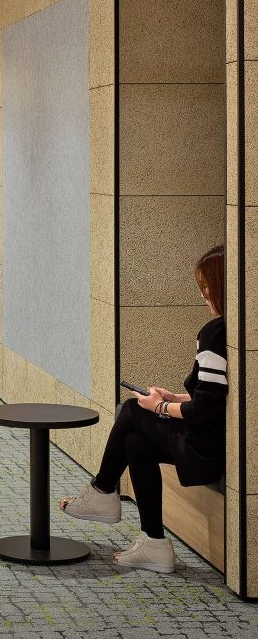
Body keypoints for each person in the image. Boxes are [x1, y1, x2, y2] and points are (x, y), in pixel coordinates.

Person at [59, 245, 227, 574]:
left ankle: (103, 489)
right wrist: (175, 398)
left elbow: (206, 410)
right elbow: (217, 398)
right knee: (136, 443)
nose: (204, 293)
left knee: (133, 410)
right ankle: (154, 544)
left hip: (205, 448)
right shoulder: (233, 330)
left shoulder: (216, 333)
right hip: (213, 439)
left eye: (208, 285)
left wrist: (160, 406)